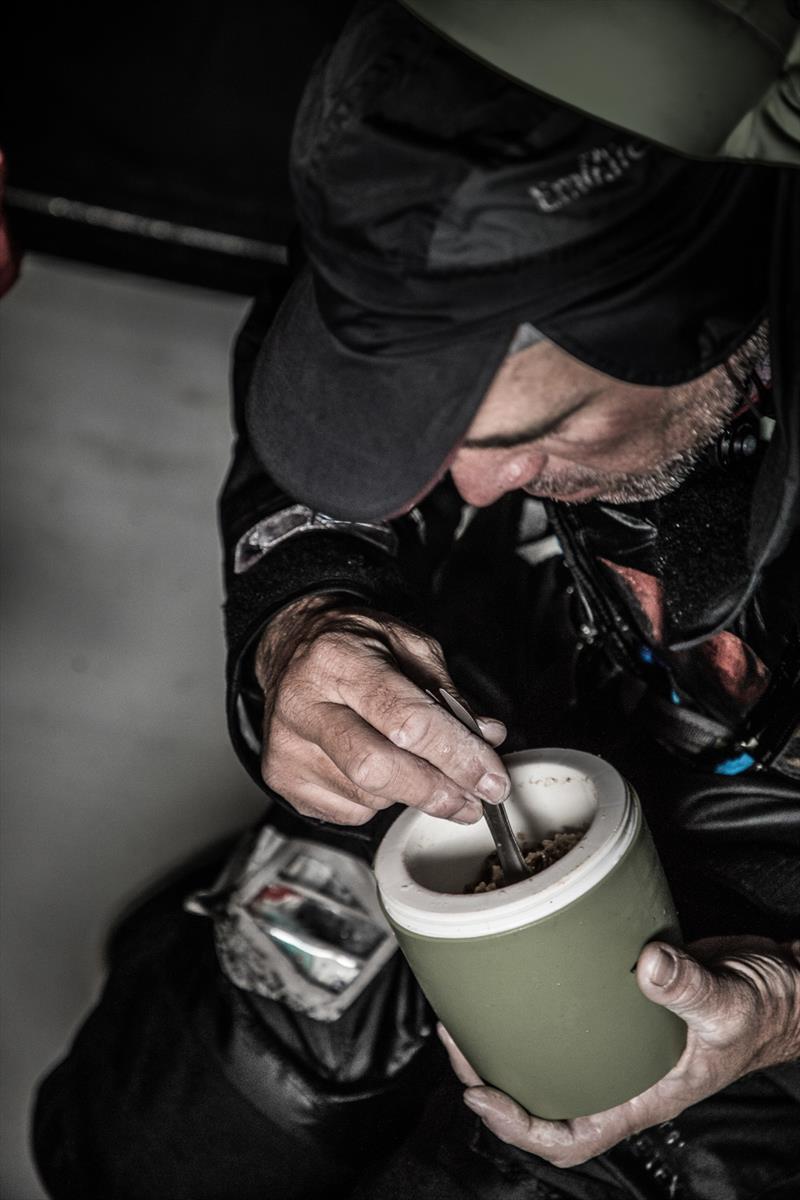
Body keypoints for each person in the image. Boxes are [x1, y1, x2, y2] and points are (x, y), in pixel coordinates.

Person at [33, 2, 799, 1198]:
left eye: (535, 433)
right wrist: (309, 606)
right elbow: (337, 451)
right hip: (528, 688)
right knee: (156, 1144)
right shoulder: (439, 180)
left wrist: (784, 1008)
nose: (470, 483)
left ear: (728, 298)